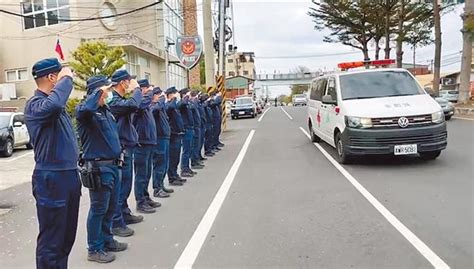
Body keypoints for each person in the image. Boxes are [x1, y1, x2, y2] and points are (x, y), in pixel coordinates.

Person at [24, 58, 81, 269]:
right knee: (52, 242)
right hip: (51, 178)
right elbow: (55, 104)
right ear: (52, 77)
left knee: (66, 238)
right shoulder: (35, 104)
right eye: (62, 76)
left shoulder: (55, 106)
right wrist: (66, 78)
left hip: (68, 176)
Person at [76, 76, 127, 263]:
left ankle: (107, 240)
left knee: (111, 206)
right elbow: (86, 109)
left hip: (113, 165)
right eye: (107, 89)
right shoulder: (86, 111)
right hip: (99, 168)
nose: (110, 92)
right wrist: (98, 91)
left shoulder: (105, 110)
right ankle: (95, 248)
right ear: (97, 91)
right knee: (99, 209)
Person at [108, 70, 144, 237]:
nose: (131, 85)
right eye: (129, 82)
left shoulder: (121, 99)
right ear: (123, 83)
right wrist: (138, 90)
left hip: (127, 146)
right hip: (121, 148)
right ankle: (116, 222)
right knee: (120, 188)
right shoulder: (113, 100)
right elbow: (134, 104)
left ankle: (124, 213)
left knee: (126, 185)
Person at [133, 79, 161, 214]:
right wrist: (149, 92)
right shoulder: (139, 104)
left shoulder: (146, 105)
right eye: (148, 89)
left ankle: (145, 197)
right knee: (141, 174)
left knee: (147, 172)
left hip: (148, 142)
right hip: (141, 143)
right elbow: (142, 104)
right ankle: (140, 201)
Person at [149, 87, 174, 198]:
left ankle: (161, 185)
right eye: (157, 95)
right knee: (159, 164)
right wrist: (161, 99)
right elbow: (155, 110)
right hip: (159, 139)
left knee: (164, 163)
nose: (160, 97)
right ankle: (157, 188)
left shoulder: (160, 106)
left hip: (164, 137)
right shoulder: (152, 106)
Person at [165, 87, 186, 186]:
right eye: (174, 94)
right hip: (173, 135)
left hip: (178, 134)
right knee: (172, 157)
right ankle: (171, 177)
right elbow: (170, 107)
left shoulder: (174, 105)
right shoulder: (168, 104)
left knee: (176, 157)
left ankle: (175, 174)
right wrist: (173, 99)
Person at [178, 88, 196, 178]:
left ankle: (187, 167)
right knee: (186, 150)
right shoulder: (182, 103)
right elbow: (181, 104)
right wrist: (185, 97)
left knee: (189, 149)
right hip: (186, 129)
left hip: (190, 128)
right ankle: (184, 168)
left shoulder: (188, 104)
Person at [189, 90, 205, 170]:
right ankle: (194, 161)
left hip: (198, 126)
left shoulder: (196, 103)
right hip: (194, 127)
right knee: (194, 145)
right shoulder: (191, 103)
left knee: (198, 144)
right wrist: (194, 100)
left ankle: (196, 159)